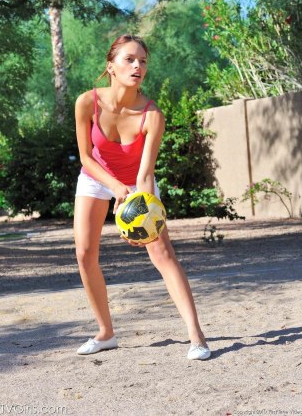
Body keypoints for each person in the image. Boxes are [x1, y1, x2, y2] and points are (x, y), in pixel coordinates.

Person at [73, 34, 210, 360]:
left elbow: (145, 174)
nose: (138, 66)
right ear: (111, 66)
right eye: (130, 59)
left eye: (143, 61)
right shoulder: (87, 102)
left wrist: (140, 217)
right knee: (84, 253)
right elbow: (86, 158)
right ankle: (106, 333)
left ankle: (197, 337)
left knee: (162, 253)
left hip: (136, 183)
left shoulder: (152, 115)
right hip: (97, 178)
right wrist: (115, 189)